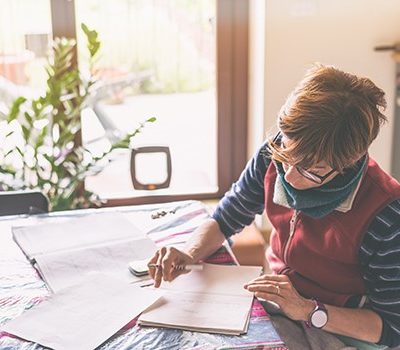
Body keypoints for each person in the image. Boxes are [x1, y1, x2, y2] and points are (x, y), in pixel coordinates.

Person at [148, 64, 400, 349]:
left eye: (312, 170)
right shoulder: (277, 152)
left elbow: (393, 327)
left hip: (345, 326)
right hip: (282, 301)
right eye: (286, 156)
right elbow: (229, 215)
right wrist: (188, 252)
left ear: (350, 161)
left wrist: (309, 310)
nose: (289, 177)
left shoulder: (387, 216)